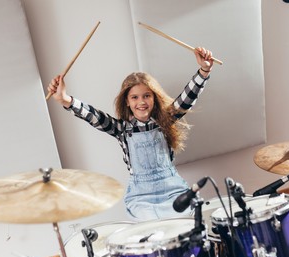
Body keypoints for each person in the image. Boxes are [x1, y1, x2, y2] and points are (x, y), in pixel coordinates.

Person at [47, 47, 213, 221]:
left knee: (189, 222)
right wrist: (65, 99)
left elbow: (187, 99)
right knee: (153, 229)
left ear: (154, 98)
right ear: (126, 101)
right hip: (142, 199)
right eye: (134, 97)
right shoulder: (121, 129)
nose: (141, 102)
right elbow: (93, 116)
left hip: (173, 191)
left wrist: (204, 71)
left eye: (146, 95)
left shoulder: (165, 120)